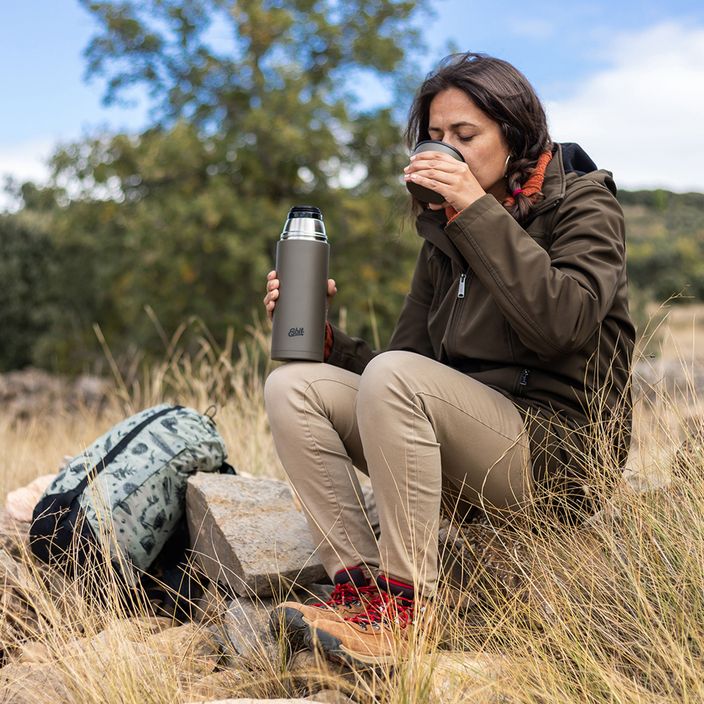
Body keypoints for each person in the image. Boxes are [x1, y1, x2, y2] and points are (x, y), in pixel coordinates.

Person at [263, 52, 634, 667]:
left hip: (560, 456)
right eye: (435, 137)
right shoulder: (443, 235)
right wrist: (326, 343)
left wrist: (476, 212)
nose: (446, 149)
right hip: (465, 441)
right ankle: (361, 595)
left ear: (514, 136)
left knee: (394, 379)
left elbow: (564, 324)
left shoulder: (584, 204)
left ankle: (406, 615)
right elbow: (403, 366)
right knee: (294, 385)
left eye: (465, 136)